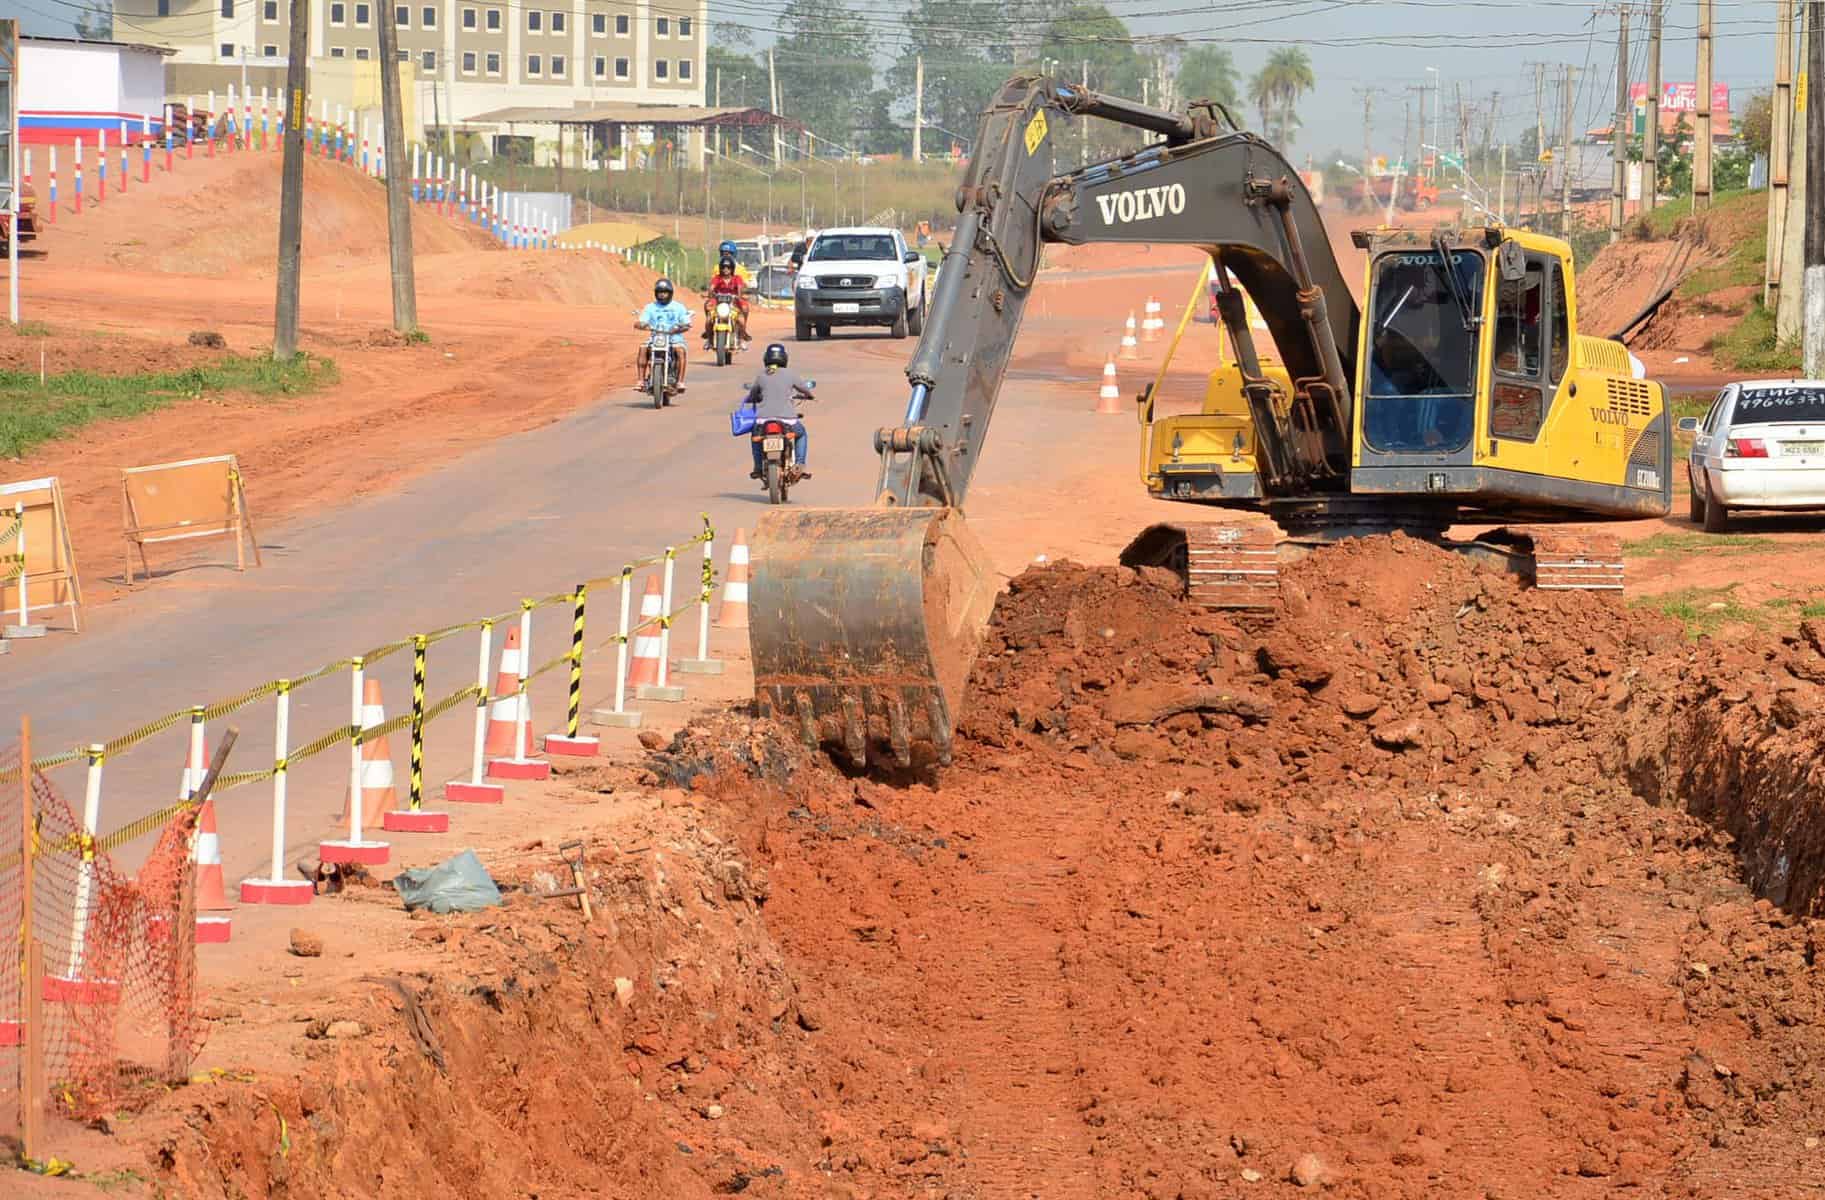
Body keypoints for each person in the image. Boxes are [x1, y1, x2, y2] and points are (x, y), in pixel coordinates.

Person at [741, 342, 812, 480]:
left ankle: (757, 467)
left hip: (763, 421)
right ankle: (799, 464)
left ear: (766, 358)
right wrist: (810, 395)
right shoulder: (791, 374)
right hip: (788, 421)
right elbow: (804, 389)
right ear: (784, 358)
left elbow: (753, 393)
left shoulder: (761, 375)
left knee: (755, 437)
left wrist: (752, 398)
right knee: (801, 434)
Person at [635, 277, 692, 390]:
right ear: (656, 293)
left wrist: (680, 327)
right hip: (656, 337)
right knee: (643, 348)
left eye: (665, 292)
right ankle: (640, 381)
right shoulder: (650, 307)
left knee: (680, 350)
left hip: (674, 338)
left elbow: (686, 323)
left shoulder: (678, 307)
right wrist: (641, 325)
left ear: (670, 293)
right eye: (660, 292)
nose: (662, 295)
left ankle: (680, 382)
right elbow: (642, 321)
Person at [702, 255, 752, 349]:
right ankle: (709, 339)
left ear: (732, 268)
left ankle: (741, 339)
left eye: (728, 267)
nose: (726, 269)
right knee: (708, 318)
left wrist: (739, 296)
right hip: (718, 303)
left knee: (741, 319)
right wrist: (709, 293)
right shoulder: (717, 278)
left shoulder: (737, 278)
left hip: (733, 303)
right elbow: (712, 288)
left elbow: (740, 290)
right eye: (723, 267)